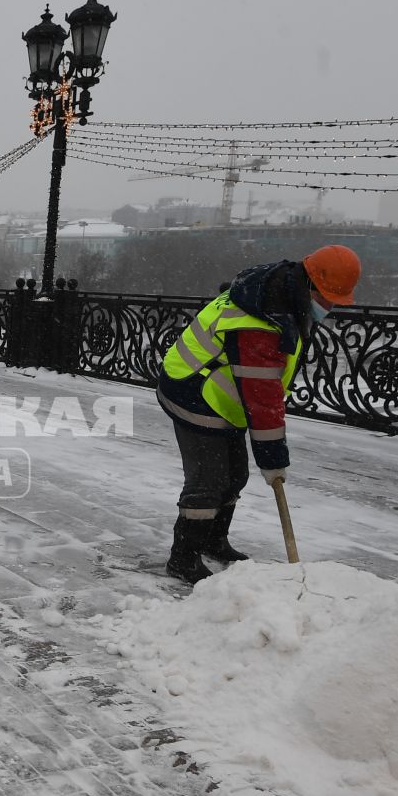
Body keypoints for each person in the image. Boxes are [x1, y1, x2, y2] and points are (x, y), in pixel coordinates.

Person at [157, 244, 360, 584]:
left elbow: (262, 391)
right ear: (308, 283)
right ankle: (183, 558)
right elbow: (262, 401)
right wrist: (273, 458)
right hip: (194, 392)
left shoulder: (279, 296)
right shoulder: (261, 323)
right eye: (326, 297)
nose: (329, 306)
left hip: (222, 395)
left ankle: (212, 541)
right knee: (208, 482)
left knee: (235, 475)